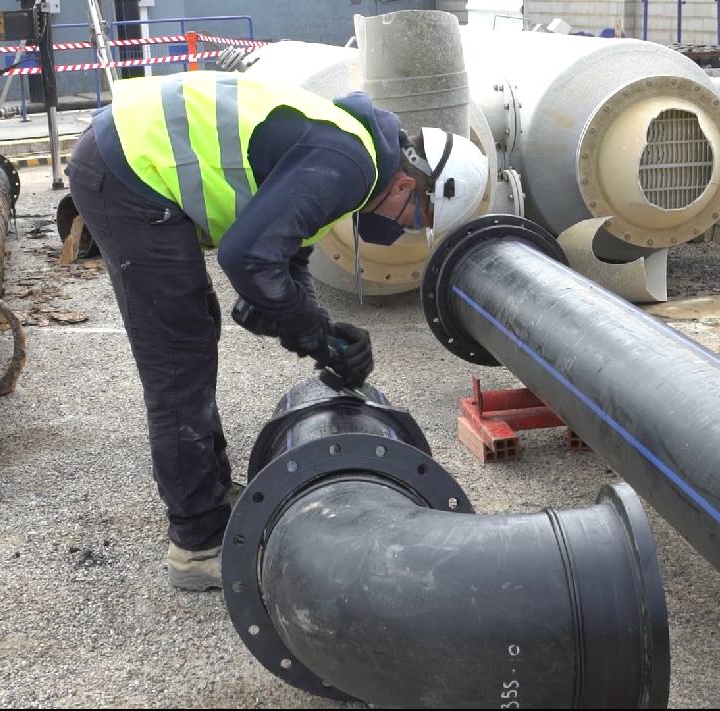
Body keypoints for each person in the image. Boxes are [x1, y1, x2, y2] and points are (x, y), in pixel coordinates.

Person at [66, 70, 486, 591]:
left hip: (127, 157)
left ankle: (212, 497)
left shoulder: (357, 153)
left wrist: (321, 335)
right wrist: (306, 327)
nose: (403, 228)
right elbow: (247, 257)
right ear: (410, 184)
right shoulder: (352, 166)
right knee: (178, 356)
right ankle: (197, 545)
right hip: (129, 171)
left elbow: (288, 251)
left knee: (193, 335)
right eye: (413, 217)